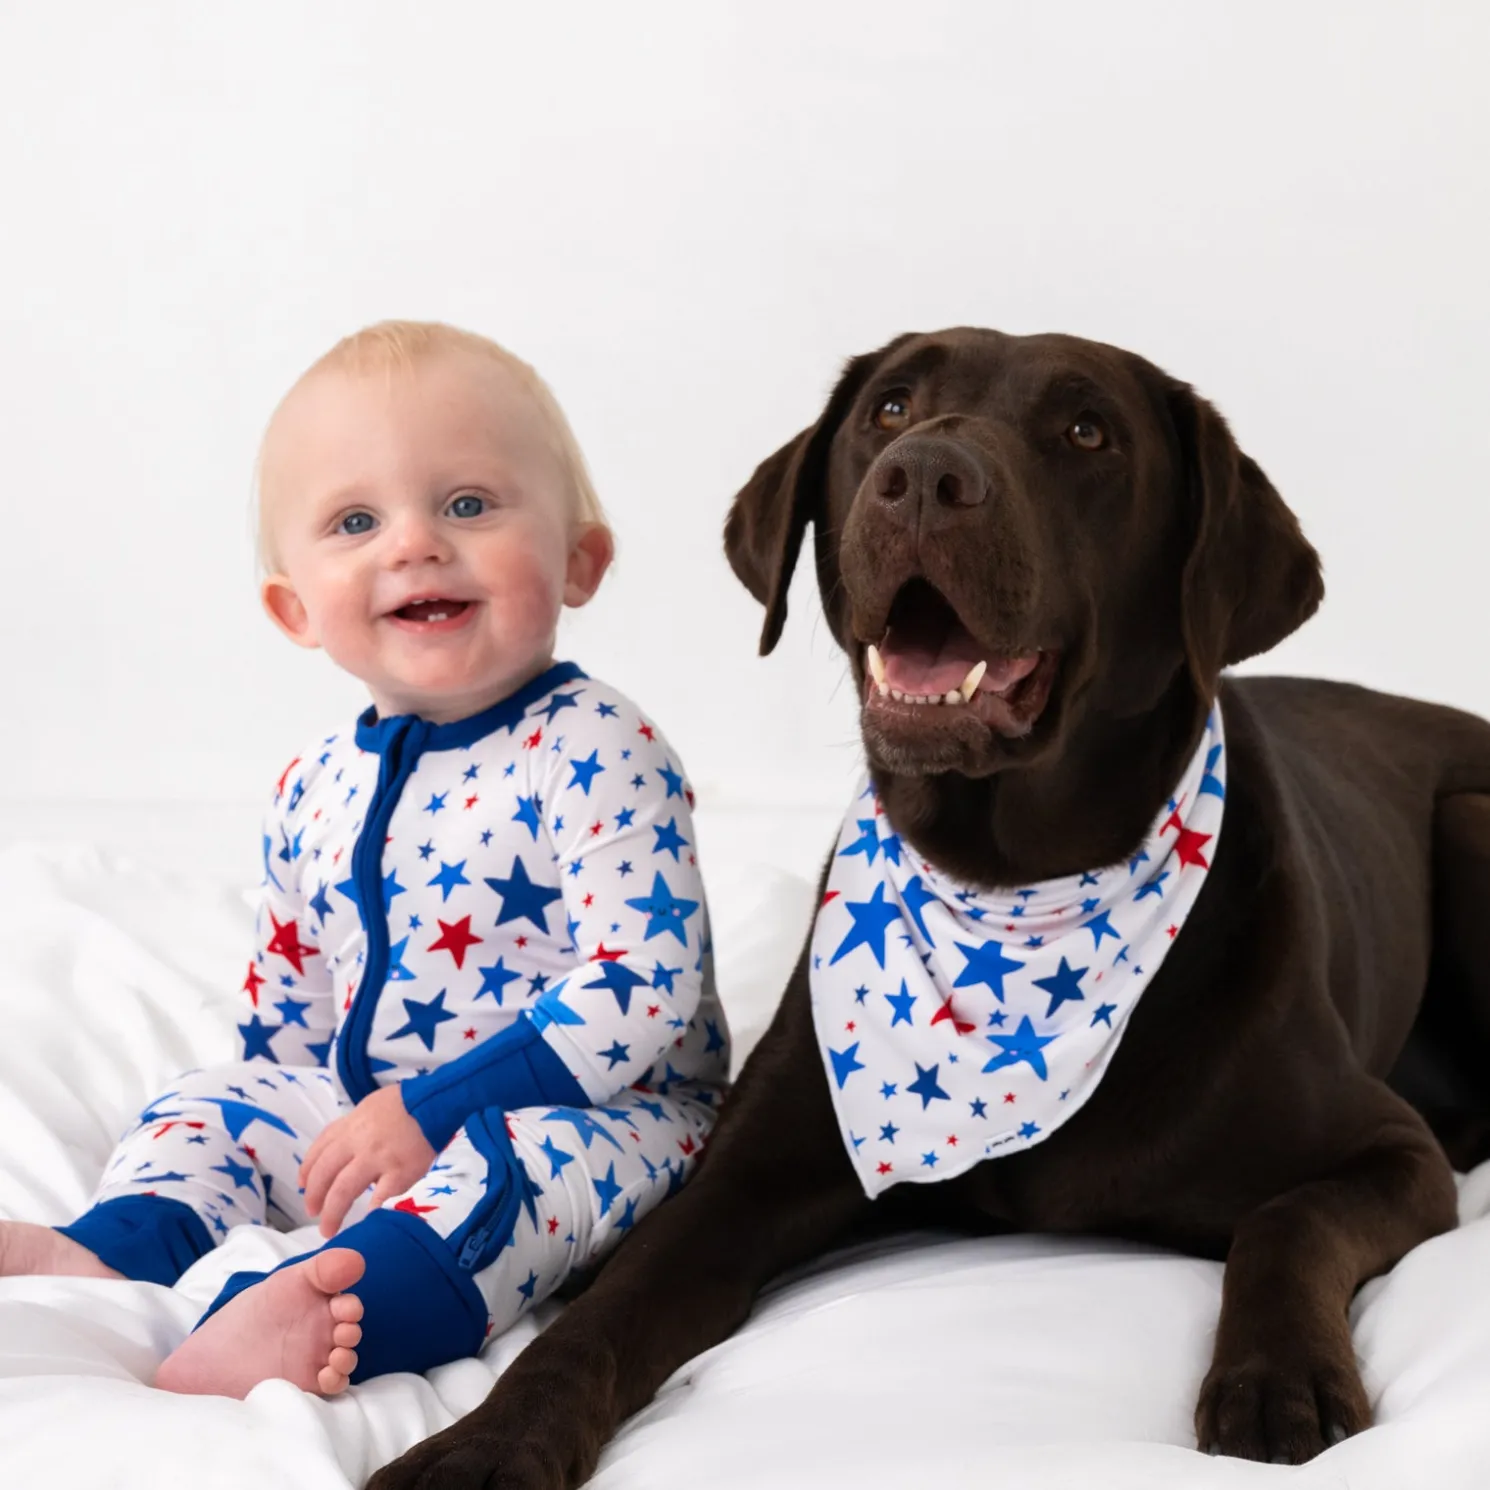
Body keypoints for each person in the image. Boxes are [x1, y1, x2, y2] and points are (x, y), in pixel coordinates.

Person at [0, 321, 728, 1397]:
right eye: (354, 520)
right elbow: (289, 1001)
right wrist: (288, 1110)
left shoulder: (595, 745)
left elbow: (643, 990)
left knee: (507, 1177)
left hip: (609, 1119)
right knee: (213, 1094)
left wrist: (431, 1113)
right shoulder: (313, 783)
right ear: (295, 607)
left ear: (580, 560)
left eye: (469, 504)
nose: (415, 543)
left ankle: (341, 1307)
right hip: (371, 1106)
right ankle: (122, 1242)